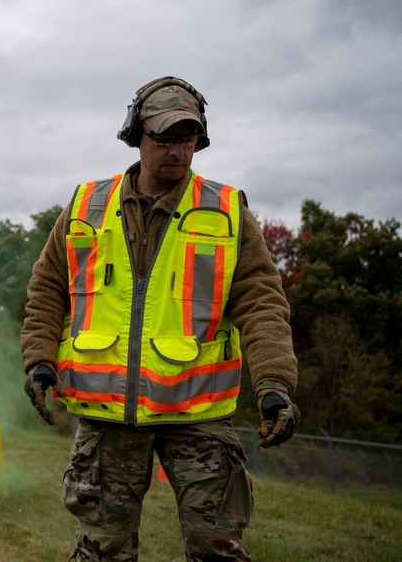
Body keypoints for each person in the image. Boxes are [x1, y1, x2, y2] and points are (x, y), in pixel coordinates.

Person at [20, 76, 299, 561]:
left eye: (187, 139)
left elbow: (262, 302)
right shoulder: (87, 205)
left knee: (218, 549)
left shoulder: (228, 213)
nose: (178, 150)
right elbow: (47, 289)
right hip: (107, 416)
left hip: (199, 416)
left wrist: (274, 383)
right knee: (101, 551)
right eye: (165, 137)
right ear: (136, 134)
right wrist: (39, 360)